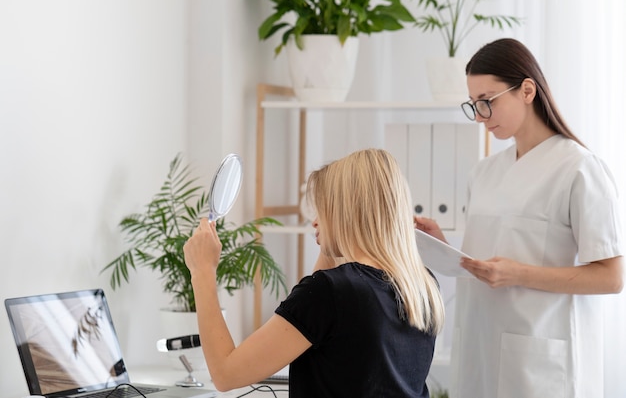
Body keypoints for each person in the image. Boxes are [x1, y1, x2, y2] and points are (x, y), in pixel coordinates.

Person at [414, 38, 624, 398]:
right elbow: (489, 261)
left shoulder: (580, 169)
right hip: (479, 343)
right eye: (473, 104)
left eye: (487, 102)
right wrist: (442, 247)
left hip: (541, 360)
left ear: (527, 90)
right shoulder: (484, 172)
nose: (479, 115)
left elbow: (611, 277)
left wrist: (518, 275)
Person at [184, 148, 445, 397]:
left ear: (346, 213)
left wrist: (202, 271)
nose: (315, 221)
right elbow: (323, 315)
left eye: (323, 210)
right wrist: (336, 241)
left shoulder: (330, 293)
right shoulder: (423, 285)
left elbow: (226, 374)